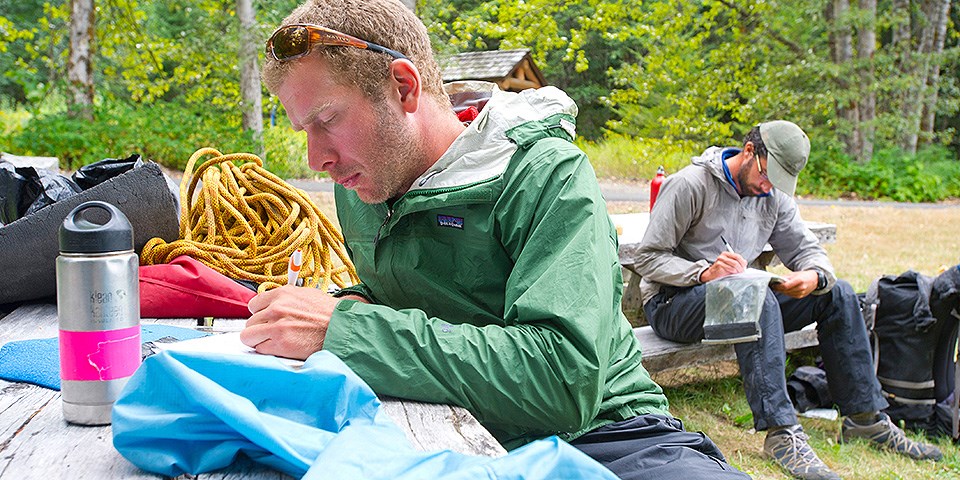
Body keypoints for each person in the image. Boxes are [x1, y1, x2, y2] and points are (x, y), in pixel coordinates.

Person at [242, 0, 749, 478]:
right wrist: (333, 309)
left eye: (328, 120)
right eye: (302, 129)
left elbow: (562, 378)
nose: (316, 159)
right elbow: (407, 297)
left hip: (604, 436)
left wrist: (346, 329)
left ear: (403, 87)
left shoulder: (544, 175)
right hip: (441, 426)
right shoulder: (364, 185)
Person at [634, 121, 943, 480]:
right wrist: (704, 273)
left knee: (836, 292)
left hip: (735, 302)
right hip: (674, 304)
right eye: (768, 175)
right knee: (758, 298)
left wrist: (814, 275)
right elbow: (648, 258)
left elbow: (807, 249)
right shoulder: (689, 185)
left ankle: (865, 418)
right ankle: (782, 433)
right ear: (749, 152)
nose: (770, 187)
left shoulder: (773, 195)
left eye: (779, 182)